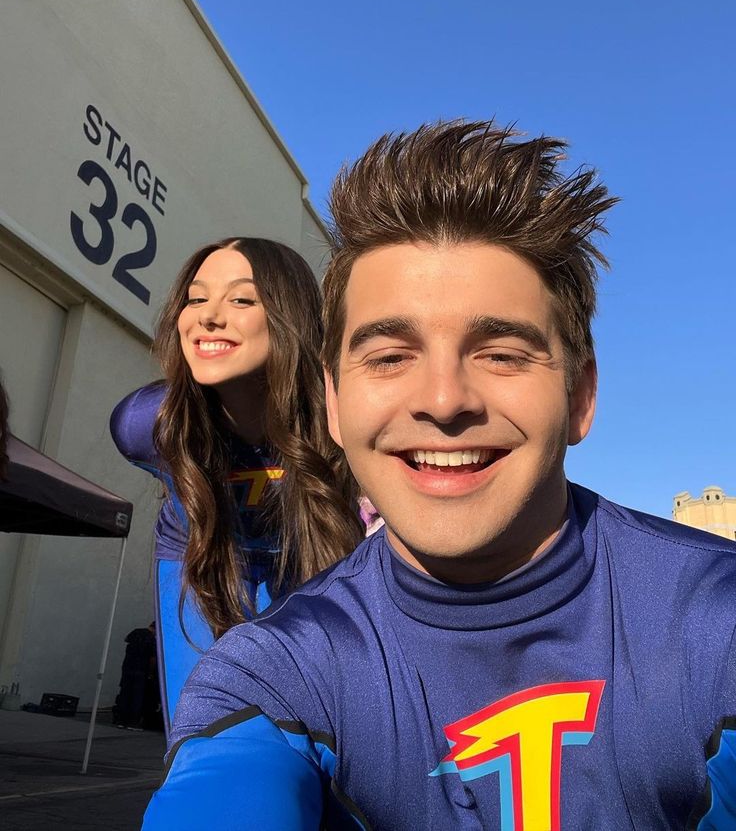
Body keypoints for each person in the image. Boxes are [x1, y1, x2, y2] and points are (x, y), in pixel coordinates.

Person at [142, 123, 736, 830]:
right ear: (332, 401)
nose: (445, 399)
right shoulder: (273, 674)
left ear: (579, 396)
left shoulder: (713, 627)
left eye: (502, 353)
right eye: (390, 356)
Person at [110, 237, 362, 737]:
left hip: (309, 563)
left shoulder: (345, 419)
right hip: (200, 563)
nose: (207, 317)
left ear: (290, 315)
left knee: (320, 738)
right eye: (196, 298)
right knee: (209, 735)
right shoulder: (148, 423)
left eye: (242, 299)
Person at [112, 622, 157, 731]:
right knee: (137, 697)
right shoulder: (151, 639)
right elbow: (152, 659)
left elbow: (126, 639)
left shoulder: (135, 632)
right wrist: (151, 673)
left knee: (125, 693)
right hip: (141, 670)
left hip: (127, 668)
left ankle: (121, 720)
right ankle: (133, 722)